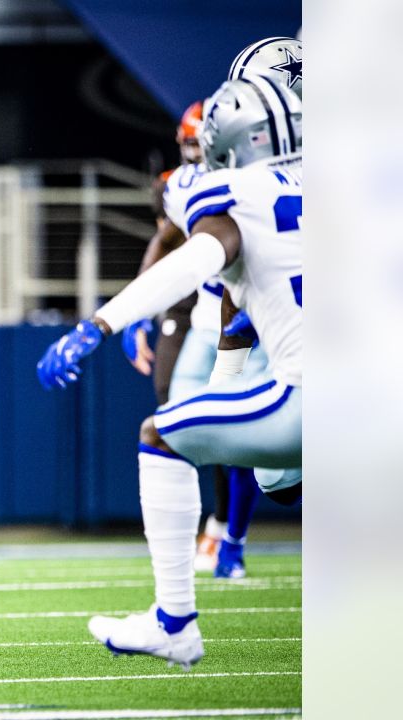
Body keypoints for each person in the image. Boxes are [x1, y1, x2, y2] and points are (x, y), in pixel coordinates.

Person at [36, 75, 302, 669]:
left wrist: (96, 326)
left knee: (162, 434)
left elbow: (196, 262)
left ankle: (175, 622)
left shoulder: (234, 194)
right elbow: (242, 299)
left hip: (311, 396)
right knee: (276, 479)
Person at [121, 102, 267, 580]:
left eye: (198, 144)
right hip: (206, 316)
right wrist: (132, 312)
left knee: (264, 461)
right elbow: (167, 241)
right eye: (187, 144)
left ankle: (230, 535)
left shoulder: (254, 184)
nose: (193, 154)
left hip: (256, 323)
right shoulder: (178, 185)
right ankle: (185, 552)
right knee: (170, 426)